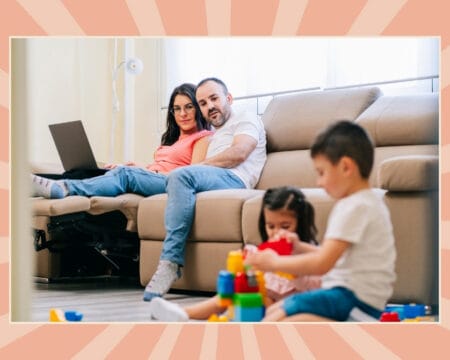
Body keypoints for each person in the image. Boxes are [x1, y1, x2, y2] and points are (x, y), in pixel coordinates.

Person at [245, 121, 397, 322]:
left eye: (321, 172)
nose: (319, 182)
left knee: (274, 320)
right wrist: (299, 246)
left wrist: (273, 263)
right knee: (277, 311)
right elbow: (330, 256)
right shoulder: (366, 203)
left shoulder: (354, 207)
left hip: (352, 300)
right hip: (356, 299)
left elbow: (322, 264)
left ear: (345, 167)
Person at [143, 77, 267, 301]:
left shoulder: (246, 119)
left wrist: (192, 170)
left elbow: (239, 152)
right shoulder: (217, 133)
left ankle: (170, 263)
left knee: (181, 175)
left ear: (228, 98)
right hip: (212, 180)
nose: (209, 106)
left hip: (234, 179)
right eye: (202, 103)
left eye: (214, 99)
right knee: (142, 178)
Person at [147, 186, 321, 321]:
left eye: (285, 226)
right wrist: (246, 265)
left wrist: (291, 261)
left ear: (301, 223)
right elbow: (251, 277)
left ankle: (236, 319)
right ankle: (183, 312)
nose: (276, 233)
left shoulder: (306, 249)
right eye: (271, 226)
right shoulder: (264, 249)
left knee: (259, 303)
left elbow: (316, 278)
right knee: (225, 297)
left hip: (287, 303)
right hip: (259, 296)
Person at [31, 83, 212, 199]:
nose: (182, 114)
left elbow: (191, 176)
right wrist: (144, 167)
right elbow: (164, 164)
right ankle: (40, 183)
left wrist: (142, 172)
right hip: (154, 176)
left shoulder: (203, 137)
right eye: (177, 109)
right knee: (95, 171)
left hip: (170, 183)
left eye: (189, 107)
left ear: (198, 108)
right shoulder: (172, 140)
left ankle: (63, 188)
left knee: (125, 174)